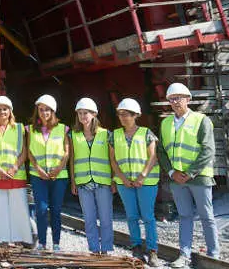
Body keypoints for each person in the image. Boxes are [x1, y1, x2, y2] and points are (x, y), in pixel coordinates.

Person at [158, 82, 219, 267]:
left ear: (188, 99)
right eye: (172, 99)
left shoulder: (201, 120)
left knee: (206, 215)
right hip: (177, 180)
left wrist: (190, 172)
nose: (176, 102)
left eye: (179, 98)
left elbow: (208, 150)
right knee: (184, 216)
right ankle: (184, 254)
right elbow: (161, 151)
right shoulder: (166, 123)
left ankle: (213, 255)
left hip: (199, 177)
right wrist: (171, 172)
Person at [110, 98, 160, 267]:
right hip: (125, 183)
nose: (123, 118)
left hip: (146, 182)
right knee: (131, 216)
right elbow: (113, 160)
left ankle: (153, 251)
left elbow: (153, 156)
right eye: (120, 114)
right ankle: (136, 247)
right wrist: (123, 179)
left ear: (135, 115)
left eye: (126, 114)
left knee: (148, 217)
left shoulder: (146, 133)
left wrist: (142, 176)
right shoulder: (114, 135)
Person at [0, 96, 30, 246]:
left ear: (10, 111)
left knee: (18, 208)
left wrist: (14, 167)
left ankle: (18, 240)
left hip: (16, 174)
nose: (2, 112)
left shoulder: (20, 128)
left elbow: (25, 152)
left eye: (5, 109)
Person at [69, 98, 114, 255]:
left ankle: (106, 249)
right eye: (80, 113)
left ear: (94, 114)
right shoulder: (73, 135)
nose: (83, 116)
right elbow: (72, 160)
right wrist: (73, 181)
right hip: (83, 183)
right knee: (89, 219)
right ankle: (94, 250)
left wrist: (114, 179)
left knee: (106, 218)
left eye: (86, 113)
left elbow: (112, 159)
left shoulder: (106, 134)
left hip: (103, 182)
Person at [28, 94, 70, 252]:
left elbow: (66, 152)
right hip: (38, 176)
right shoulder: (31, 129)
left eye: (47, 110)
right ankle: (42, 243)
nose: (44, 112)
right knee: (41, 209)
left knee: (56, 210)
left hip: (58, 177)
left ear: (53, 111)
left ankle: (57, 243)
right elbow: (29, 152)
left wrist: (58, 169)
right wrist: (39, 169)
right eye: (41, 109)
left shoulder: (62, 128)